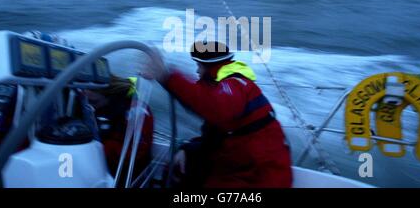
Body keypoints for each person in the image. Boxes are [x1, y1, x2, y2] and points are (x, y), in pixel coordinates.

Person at [141, 41, 292, 188]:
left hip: (259, 175)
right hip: (238, 165)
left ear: (210, 67)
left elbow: (217, 109)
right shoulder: (226, 89)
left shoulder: (235, 85)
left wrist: (167, 77)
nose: (197, 72)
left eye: (199, 66)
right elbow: (218, 134)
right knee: (179, 169)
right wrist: (187, 149)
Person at [84, 75, 154, 182]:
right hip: (101, 165)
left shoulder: (138, 113)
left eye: (94, 102)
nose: (91, 106)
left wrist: (98, 148)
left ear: (110, 96)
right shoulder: (101, 108)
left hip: (127, 174)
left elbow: (135, 152)